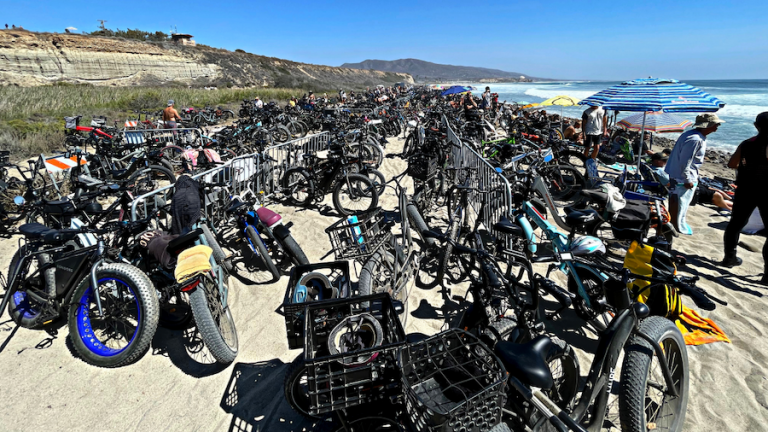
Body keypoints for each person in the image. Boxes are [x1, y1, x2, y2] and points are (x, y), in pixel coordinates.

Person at [721, 111, 768, 281]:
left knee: (735, 224)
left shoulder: (747, 143)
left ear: (756, 126)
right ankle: (767, 274)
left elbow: (732, 163)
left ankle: (729, 258)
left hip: (746, 189)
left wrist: (748, 166)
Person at [665, 113, 724, 235]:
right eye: (715, 124)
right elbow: (685, 161)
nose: (717, 127)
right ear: (708, 125)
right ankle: (676, 226)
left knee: (678, 201)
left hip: (678, 174)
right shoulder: (695, 139)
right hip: (682, 176)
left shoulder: (691, 135)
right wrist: (687, 179)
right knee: (679, 202)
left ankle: (675, 223)